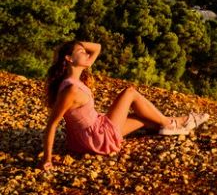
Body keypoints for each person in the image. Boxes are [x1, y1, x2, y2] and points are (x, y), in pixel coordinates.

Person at [40, 40, 208, 170]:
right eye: (81, 52)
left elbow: (97, 47)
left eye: (85, 52)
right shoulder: (70, 90)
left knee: (143, 118)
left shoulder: (72, 81)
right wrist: (47, 159)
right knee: (130, 92)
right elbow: (52, 124)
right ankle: (171, 124)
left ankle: (176, 122)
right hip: (97, 137)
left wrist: (75, 45)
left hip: (87, 138)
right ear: (69, 59)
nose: (86, 54)